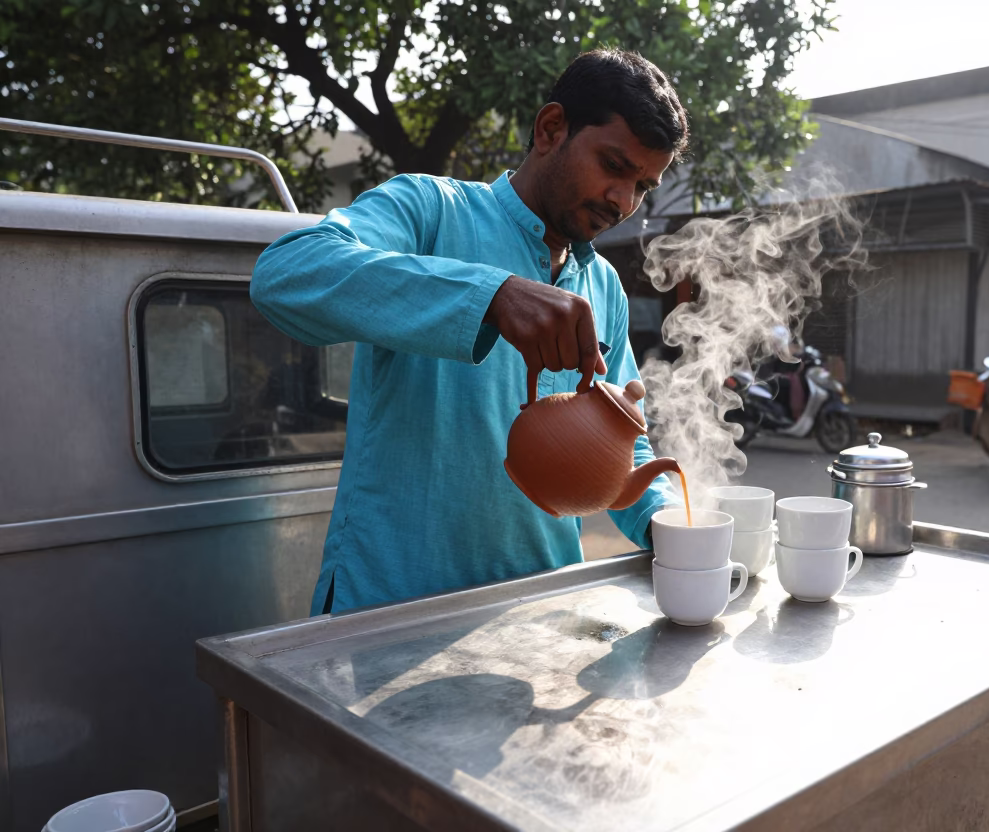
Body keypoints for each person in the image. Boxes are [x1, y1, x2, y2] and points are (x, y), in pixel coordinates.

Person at [251, 50, 688, 614]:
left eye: (643, 187)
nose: (623, 202)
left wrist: (668, 523)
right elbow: (285, 274)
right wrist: (491, 296)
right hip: (388, 611)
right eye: (613, 166)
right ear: (551, 128)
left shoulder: (603, 286)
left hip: (537, 614)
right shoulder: (430, 210)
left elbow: (625, 448)